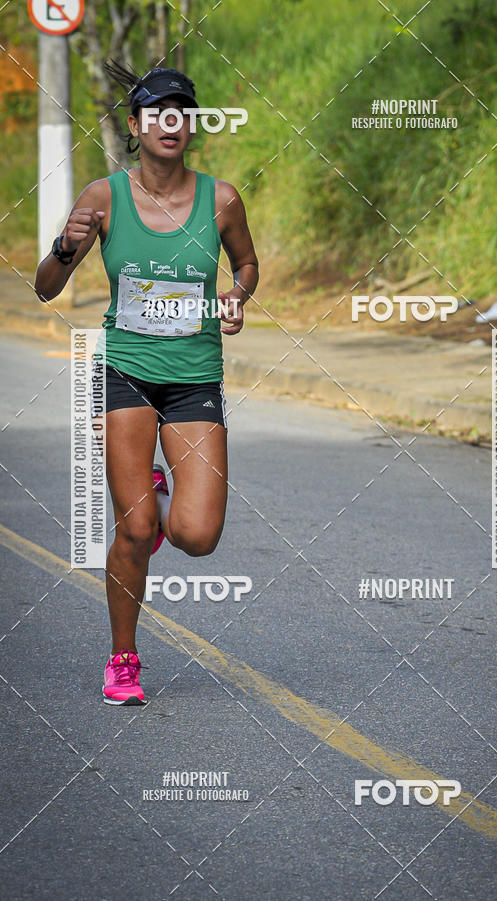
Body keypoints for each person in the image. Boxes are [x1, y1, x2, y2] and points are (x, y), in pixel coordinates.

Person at [34, 63, 259, 706]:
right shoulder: (103, 198)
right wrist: (62, 242)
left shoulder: (221, 199)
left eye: (182, 112)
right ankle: (124, 658)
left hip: (194, 379)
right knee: (134, 532)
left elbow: (246, 263)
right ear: (134, 126)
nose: (171, 122)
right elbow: (48, 286)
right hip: (127, 373)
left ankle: (159, 498)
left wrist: (237, 295)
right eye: (157, 112)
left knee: (197, 536)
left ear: (192, 126)